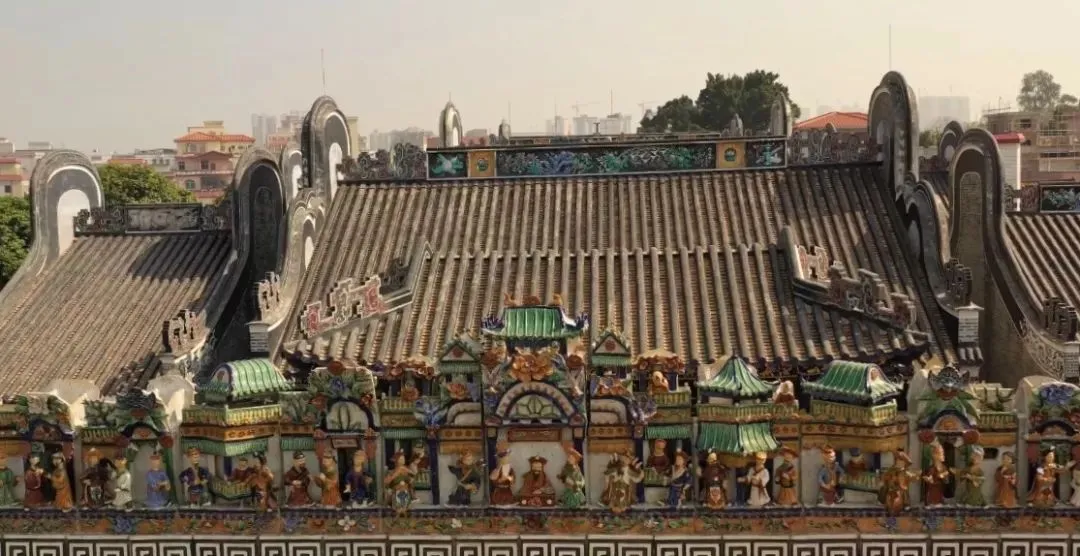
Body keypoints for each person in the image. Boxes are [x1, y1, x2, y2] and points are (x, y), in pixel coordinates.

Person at [879, 449, 918, 515]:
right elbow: (887, 474)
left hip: (900, 473)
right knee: (885, 486)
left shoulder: (901, 454)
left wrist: (904, 468)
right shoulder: (893, 466)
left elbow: (910, 462)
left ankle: (906, 503)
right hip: (895, 472)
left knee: (903, 488)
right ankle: (884, 502)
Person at [384, 449, 417, 516]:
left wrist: (410, 478)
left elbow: (413, 477)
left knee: (404, 493)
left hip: (405, 492)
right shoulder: (392, 472)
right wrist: (396, 474)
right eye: (401, 459)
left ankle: (403, 508)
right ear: (396, 461)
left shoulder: (406, 470)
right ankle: (399, 508)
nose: (403, 460)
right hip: (396, 492)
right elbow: (386, 482)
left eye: (403, 459)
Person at [921, 442, 952, 507]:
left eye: (943, 453)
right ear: (934, 455)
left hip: (940, 494)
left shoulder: (944, 467)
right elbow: (930, 479)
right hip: (932, 494)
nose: (943, 455)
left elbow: (947, 481)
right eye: (940, 453)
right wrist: (929, 480)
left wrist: (944, 476)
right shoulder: (931, 468)